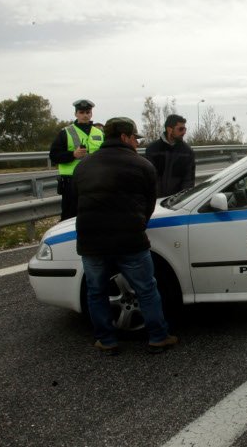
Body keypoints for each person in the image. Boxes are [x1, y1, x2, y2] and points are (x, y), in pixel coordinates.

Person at [74, 117, 178, 355]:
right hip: (130, 241)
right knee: (146, 289)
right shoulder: (142, 165)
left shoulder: (84, 165)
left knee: (96, 291)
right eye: (134, 138)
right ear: (123, 137)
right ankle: (158, 337)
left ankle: (106, 340)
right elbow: (149, 204)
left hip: (91, 242)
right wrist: (138, 225)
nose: (136, 143)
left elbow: (76, 198)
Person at [49, 99, 105, 221]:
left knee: (93, 216)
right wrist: (73, 154)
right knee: (70, 217)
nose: (85, 115)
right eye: (81, 112)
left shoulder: (100, 133)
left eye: (88, 112)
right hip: (71, 181)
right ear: (76, 114)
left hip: (94, 179)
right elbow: (54, 155)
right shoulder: (66, 132)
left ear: (91, 114)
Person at [145, 114, 195, 197]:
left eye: (185, 129)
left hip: (177, 201)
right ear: (169, 129)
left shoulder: (187, 152)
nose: (184, 132)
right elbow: (149, 178)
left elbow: (188, 180)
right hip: (156, 200)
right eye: (181, 129)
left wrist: (181, 199)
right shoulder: (152, 149)